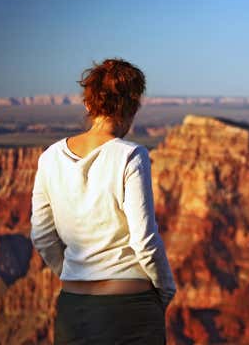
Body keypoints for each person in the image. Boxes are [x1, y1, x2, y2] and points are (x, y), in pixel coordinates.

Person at [30, 58, 176, 344]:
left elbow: (42, 235)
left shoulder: (49, 158)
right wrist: (165, 289)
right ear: (132, 107)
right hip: (128, 308)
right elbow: (144, 240)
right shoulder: (130, 155)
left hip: (73, 307)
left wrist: (75, 272)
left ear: (88, 104)